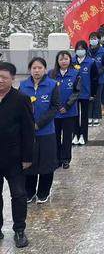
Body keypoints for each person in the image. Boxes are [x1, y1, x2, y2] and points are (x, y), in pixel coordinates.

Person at [0, 61, 34, 249]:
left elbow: (28, 130)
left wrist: (27, 157)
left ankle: (19, 230)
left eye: (4, 77)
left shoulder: (21, 99)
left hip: (15, 158)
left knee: (19, 195)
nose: (0, 81)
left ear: (13, 79)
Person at [20, 57, 61, 205]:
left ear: (45, 69)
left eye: (40, 68)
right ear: (30, 70)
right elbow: (20, 107)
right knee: (29, 162)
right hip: (28, 132)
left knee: (46, 163)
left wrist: (39, 124)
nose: (37, 71)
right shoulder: (23, 85)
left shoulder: (52, 85)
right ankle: (29, 192)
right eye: (34, 68)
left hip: (46, 131)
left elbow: (55, 107)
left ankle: (44, 192)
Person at [49, 51, 80, 169]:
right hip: (55, 113)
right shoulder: (51, 74)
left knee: (67, 137)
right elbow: (48, 90)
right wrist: (56, 106)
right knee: (55, 136)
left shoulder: (75, 73)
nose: (63, 61)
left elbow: (76, 92)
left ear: (69, 60)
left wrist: (67, 106)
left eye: (66, 59)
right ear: (57, 61)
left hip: (69, 112)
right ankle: (56, 159)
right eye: (61, 59)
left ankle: (66, 159)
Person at [72, 40, 98, 146]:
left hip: (86, 93)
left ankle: (83, 135)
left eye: (82, 49)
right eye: (78, 49)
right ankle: (75, 135)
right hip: (73, 94)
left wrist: (93, 93)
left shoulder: (91, 62)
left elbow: (94, 78)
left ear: (86, 50)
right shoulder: (72, 61)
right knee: (74, 115)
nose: (80, 51)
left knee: (84, 115)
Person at [88, 31, 104, 127]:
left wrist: (98, 72)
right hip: (88, 79)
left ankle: (96, 117)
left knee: (97, 98)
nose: (93, 40)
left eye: (95, 38)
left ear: (98, 40)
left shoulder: (103, 51)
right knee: (89, 98)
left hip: (99, 79)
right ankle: (89, 116)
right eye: (91, 38)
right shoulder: (87, 51)